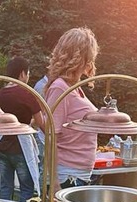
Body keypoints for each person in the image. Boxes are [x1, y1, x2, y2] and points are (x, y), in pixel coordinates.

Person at [43, 27, 99, 190]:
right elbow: (51, 136)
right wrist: (54, 183)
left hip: (77, 174)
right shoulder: (60, 88)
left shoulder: (74, 87)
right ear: (82, 57)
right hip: (66, 176)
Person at [0, 56, 43, 202]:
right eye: (28, 74)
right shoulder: (27, 93)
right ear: (22, 73)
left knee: (5, 188)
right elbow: (42, 123)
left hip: (2, 146)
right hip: (21, 148)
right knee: (26, 189)